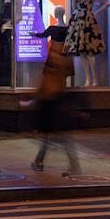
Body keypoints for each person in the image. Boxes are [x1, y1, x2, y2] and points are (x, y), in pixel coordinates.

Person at [32, 28, 80, 176]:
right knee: (58, 134)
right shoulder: (66, 57)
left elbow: (45, 77)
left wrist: (38, 95)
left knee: (52, 134)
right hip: (59, 96)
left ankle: (42, 161)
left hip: (49, 98)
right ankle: (40, 160)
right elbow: (68, 74)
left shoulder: (52, 56)